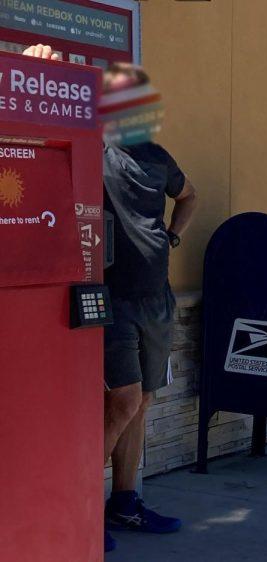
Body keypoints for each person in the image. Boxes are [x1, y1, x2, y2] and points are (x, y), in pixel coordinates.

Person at [23, 45, 199, 553]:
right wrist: (46, 72)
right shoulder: (93, 147)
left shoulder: (157, 157)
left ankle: (124, 504)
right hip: (112, 300)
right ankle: (80, 509)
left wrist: (173, 235)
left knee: (142, 400)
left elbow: (190, 195)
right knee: (122, 399)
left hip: (157, 299)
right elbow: (42, 135)